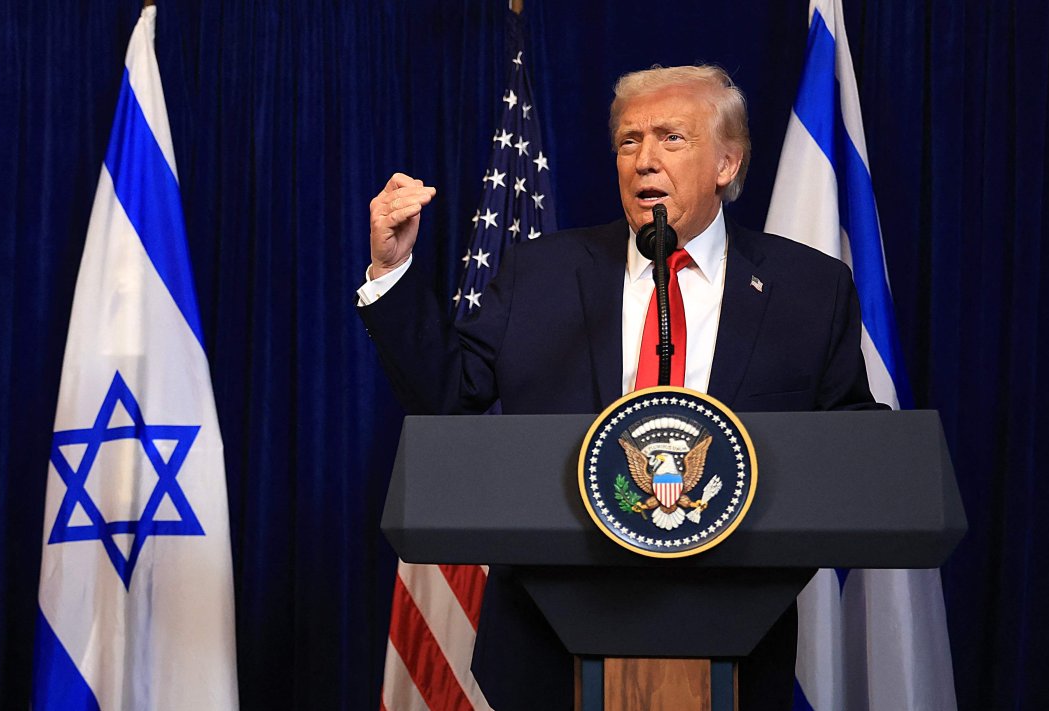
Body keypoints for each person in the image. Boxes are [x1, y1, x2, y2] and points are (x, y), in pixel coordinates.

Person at [356, 65, 881, 709]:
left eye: (671, 139)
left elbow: (851, 448)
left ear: (726, 163)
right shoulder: (541, 274)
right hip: (549, 636)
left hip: (733, 636)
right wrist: (391, 269)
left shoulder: (808, 289)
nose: (644, 161)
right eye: (629, 142)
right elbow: (444, 393)